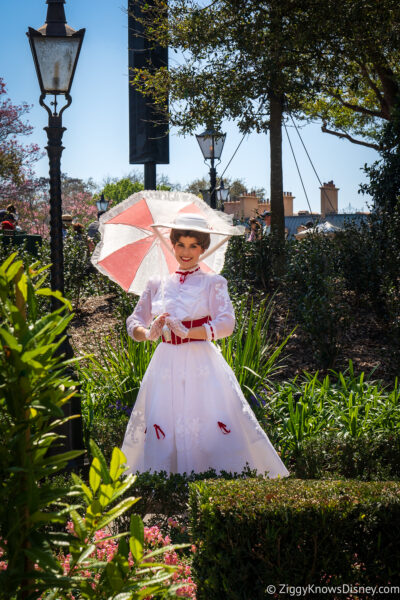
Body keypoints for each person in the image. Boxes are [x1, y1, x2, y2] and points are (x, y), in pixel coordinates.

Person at [121, 213, 289, 478]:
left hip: (202, 362)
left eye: (193, 246)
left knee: (205, 419)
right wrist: (150, 333)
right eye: (181, 244)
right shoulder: (156, 283)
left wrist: (189, 332)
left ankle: (212, 481)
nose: (186, 252)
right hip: (165, 364)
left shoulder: (213, 282)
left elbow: (227, 324)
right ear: (172, 244)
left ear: (203, 248)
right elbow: (134, 321)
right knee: (164, 419)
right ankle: (166, 484)